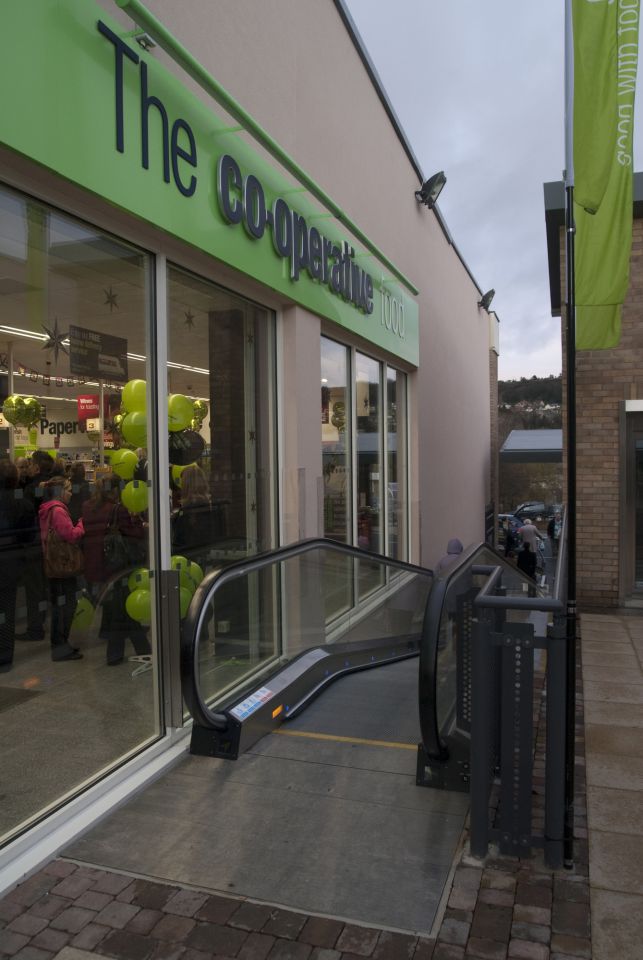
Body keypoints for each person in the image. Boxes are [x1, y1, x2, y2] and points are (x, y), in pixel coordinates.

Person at [82, 473, 150, 666]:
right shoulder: (117, 510)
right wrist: (136, 519)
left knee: (116, 609)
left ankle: (133, 650)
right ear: (114, 491)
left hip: (95, 564)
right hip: (116, 567)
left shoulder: (87, 507)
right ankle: (121, 653)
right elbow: (134, 533)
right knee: (121, 608)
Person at [38, 476, 85, 661]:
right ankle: (61, 646)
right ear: (60, 492)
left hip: (53, 563)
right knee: (66, 606)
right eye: (69, 489)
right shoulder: (58, 511)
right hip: (64, 564)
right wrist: (82, 524)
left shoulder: (46, 510)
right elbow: (71, 535)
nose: (71, 493)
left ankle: (60, 645)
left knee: (59, 606)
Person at [0, 461, 37, 672]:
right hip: (10, 564)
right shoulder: (22, 504)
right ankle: (4, 657)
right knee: (6, 611)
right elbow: (28, 536)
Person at [171, 464, 221, 568]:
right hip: (206, 561)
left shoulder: (187, 511)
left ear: (186, 484)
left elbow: (179, 543)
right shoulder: (211, 506)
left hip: (188, 563)